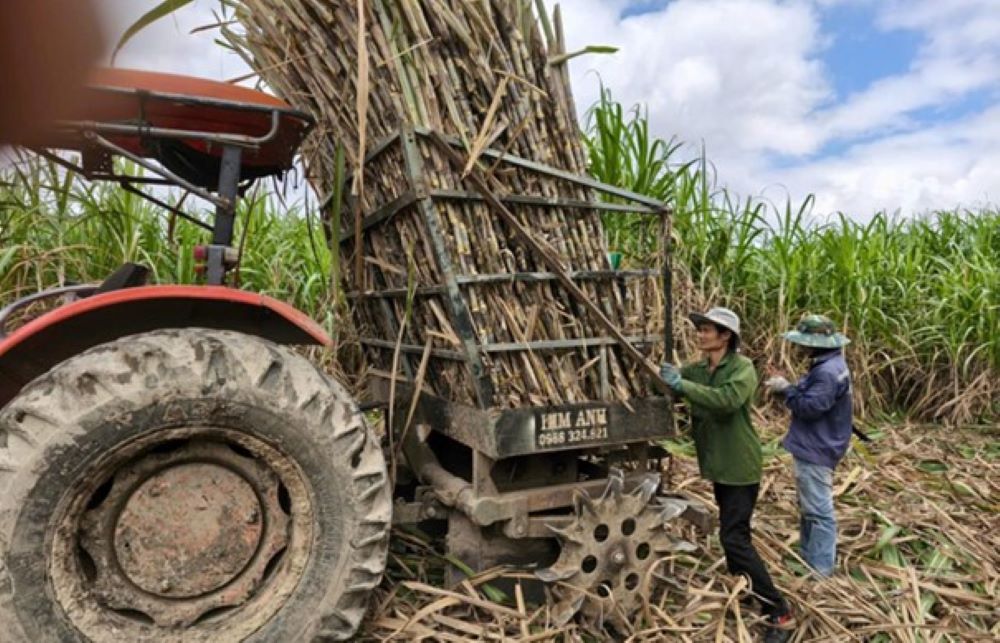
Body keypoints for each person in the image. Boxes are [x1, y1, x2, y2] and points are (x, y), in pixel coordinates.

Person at [661, 307, 794, 643]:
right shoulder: (701, 369)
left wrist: (683, 385)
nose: (701, 334)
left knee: (734, 537)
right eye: (701, 328)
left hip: (739, 465)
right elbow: (679, 384)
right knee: (733, 534)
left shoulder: (742, 369)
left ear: (726, 336)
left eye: (708, 330)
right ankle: (746, 589)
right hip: (719, 464)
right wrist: (666, 378)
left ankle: (778, 611)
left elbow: (726, 401)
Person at [764, 314, 853, 579]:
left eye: (803, 343)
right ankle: (809, 558)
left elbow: (811, 408)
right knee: (810, 507)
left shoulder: (826, 372)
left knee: (818, 511)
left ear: (814, 343)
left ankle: (821, 571)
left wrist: (785, 390)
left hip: (817, 446)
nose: (799, 348)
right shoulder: (831, 365)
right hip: (820, 442)